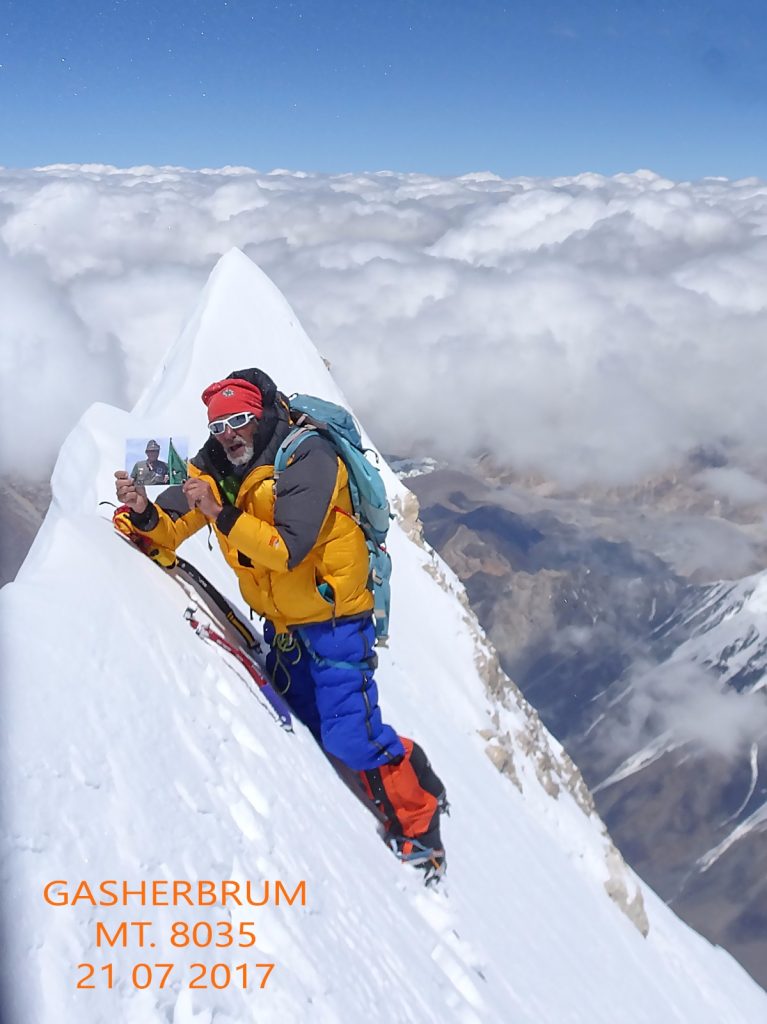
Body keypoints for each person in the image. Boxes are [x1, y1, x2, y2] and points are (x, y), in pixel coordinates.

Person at [115, 368, 447, 878]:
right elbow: (172, 527)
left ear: (261, 415)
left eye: (239, 420)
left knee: (349, 737)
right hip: (286, 626)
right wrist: (143, 513)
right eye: (219, 425)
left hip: (337, 620)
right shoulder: (214, 464)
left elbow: (288, 549)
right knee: (311, 723)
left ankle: (422, 821)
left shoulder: (308, 455)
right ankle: (388, 788)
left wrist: (220, 513)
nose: (229, 434)